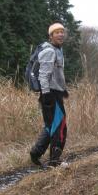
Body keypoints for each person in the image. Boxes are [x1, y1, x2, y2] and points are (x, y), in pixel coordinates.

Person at [30, 22, 69, 167]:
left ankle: (36, 153)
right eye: (57, 32)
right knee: (60, 126)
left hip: (55, 92)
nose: (60, 34)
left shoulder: (58, 50)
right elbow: (43, 75)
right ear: (51, 35)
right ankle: (55, 162)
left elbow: (56, 74)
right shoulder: (50, 51)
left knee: (51, 125)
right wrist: (46, 95)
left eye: (62, 32)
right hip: (50, 94)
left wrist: (62, 89)